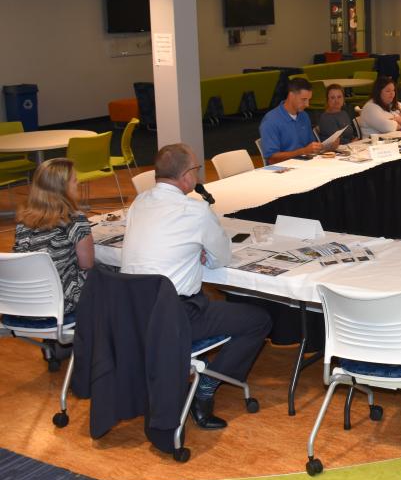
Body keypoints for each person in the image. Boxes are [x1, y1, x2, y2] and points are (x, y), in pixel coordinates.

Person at [121, 143, 272, 429]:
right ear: (187, 176)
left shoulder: (139, 203)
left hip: (135, 314)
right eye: (197, 170)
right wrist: (201, 252)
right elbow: (221, 258)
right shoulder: (195, 210)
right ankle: (205, 389)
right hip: (176, 316)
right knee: (258, 320)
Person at [14, 158, 95, 315]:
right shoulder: (75, 220)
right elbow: (87, 265)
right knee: (111, 274)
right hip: (59, 304)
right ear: (62, 188)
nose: (78, 183)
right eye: (74, 180)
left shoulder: (23, 221)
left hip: (21, 303)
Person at [259, 77, 323, 163]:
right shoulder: (270, 121)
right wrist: (303, 151)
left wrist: (326, 147)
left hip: (305, 164)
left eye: (309, 100)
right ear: (291, 95)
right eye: (304, 99)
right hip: (283, 170)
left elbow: (310, 146)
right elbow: (272, 158)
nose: (307, 104)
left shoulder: (304, 116)